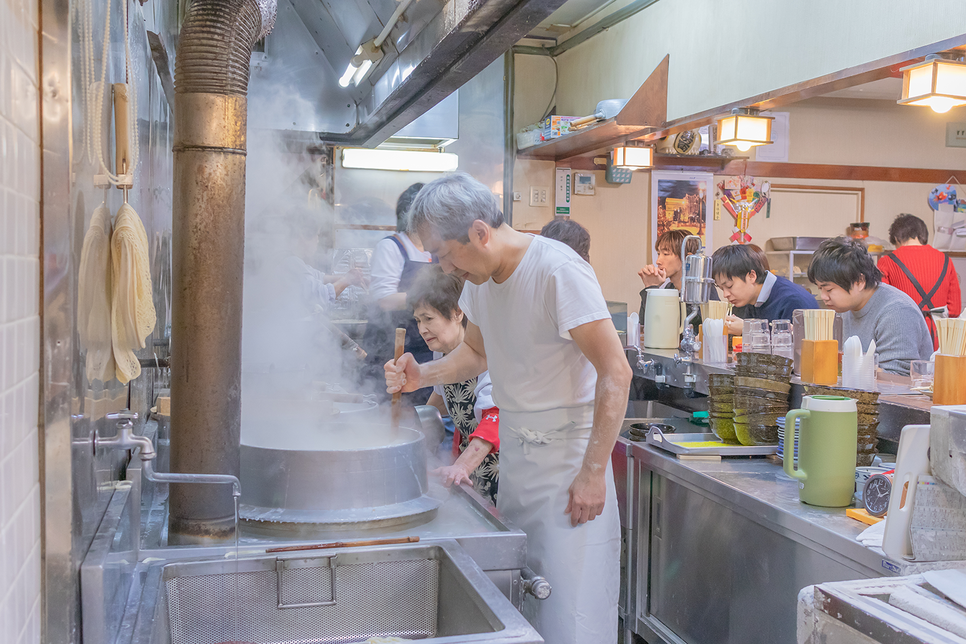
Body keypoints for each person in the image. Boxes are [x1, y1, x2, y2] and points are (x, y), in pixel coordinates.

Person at [384, 173, 631, 644]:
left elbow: (615, 372)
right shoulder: (480, 280)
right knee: (525, 596)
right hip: (520, 458)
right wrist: (423, 375)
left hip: (570, 463)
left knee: (571, 606)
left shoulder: (557, 270)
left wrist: (593, 472)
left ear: (480, 232)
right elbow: (476, 354)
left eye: (444, 252)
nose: (443, 265)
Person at [408, 266, 500, 504]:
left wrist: (460, 467)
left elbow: (495, 419)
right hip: (468, 466)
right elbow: (437, 404)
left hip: (501, 468)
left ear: (458, 312)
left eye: (428, 319)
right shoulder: (442, 352)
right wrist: (403, 430)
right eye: (418, 320)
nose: (421, 329)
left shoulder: (489, 352)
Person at [808, 236, 933, 375]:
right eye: (820, 289)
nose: (824, 296)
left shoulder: (896, 312)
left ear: (860, 281)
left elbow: (897, 378)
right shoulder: (845, 307)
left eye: (829, 289)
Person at [361, 183, 434, 402]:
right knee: (393, 413)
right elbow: (384, 299)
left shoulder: (436, 249)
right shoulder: (391, 247)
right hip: (394, 348)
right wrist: (430, 300)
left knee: (428, 413)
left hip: (428, 348)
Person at [878, 213, 961, 349]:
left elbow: (881, 306)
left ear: (896, 237)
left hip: (902, 336)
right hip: (938, 340)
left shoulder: (887, 262)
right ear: (922, 235)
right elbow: (954, 310)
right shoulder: (946, 260)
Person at [712, 243, 818, 334]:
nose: (725, 294)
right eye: (722, 288)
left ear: (752, 276)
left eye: (729, 286)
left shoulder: (793, 301)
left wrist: (747, 329)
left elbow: (791, 347)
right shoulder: (748, 299)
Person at [637, 229, 720, 331]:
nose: (658, 261)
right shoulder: (670, 288)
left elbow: (676, 328)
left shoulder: (702, 289)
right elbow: (646, 324)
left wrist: (652, 287)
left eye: (666, 254)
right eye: (659, 254)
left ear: (687, 258)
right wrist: (651, 289)